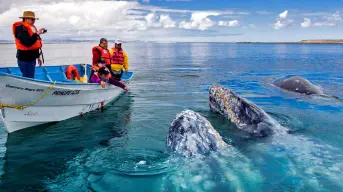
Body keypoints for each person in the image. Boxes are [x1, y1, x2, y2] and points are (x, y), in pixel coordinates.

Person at [12, 11, 46, 78]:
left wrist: (38, 57)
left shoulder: (31, 27)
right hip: (25, 59)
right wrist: (37, 34)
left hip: (32, 58)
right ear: (26, 19)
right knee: (28, 78)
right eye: (32, 19)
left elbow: (35, 44)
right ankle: (28, 88)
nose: (34, 21)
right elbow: (27, 43)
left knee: (30, 76)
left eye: (34, 19)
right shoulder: (20, 28)